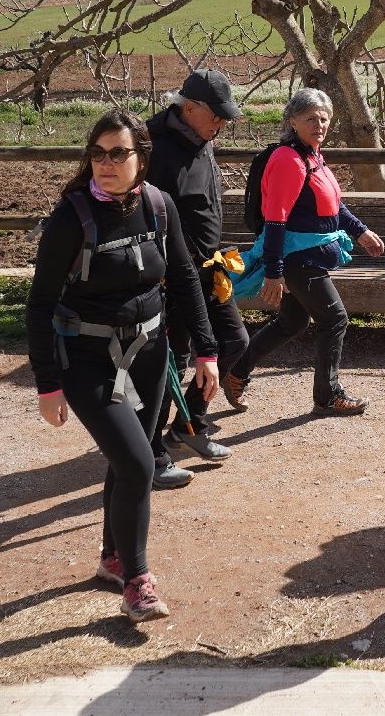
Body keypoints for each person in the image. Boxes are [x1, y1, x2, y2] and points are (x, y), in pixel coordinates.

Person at [26, 110, 220, 622]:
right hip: (86, 359)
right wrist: (48, 384)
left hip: (151, 356)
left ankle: (113, 559)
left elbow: (183, 278)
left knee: (126, 462)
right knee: (138, 464)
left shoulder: (159, 207)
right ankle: (137, 579)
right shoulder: (71, 218)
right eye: (98, 153)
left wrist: (206, 351)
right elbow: (40, 305)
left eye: (119, 153)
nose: (106, 164)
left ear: (141, 158)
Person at [224, 88, 385, 415]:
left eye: (324, 118)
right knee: (334, 318)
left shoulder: (312, 156)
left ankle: (236, 371)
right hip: (297, 259)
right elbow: (275, 219)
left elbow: (333, 206)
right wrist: (273, 272)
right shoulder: (287, 159)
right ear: (292, 121)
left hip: (306, 257)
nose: (319, 124)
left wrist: (360, 231)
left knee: (293, 321)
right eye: (311, 118)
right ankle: (328, 395)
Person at [145, 69, 245, 485]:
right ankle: (153, 454)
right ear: (190, 108)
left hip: (208, 269)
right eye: (216, 115)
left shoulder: (202, 141)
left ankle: (189, 424)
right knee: (171, 361)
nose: (221, 123)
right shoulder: (153, 149)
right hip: (171, 277)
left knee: (235, 343)